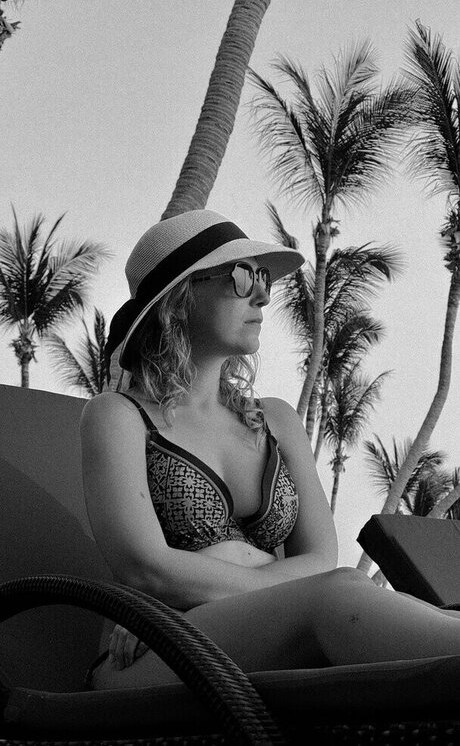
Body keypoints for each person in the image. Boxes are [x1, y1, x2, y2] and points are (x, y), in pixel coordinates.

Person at [81, 208, 460, 690]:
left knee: (372, 600)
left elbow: (320, 559)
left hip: (267, 639)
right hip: (150, 651)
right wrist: (280, 580)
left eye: (263, 278)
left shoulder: (276, 420)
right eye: (242, 276)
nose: (262, 294)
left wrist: (245, 576)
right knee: (336, 596)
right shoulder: (119, 415)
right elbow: (146, 570)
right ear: (179, 298)